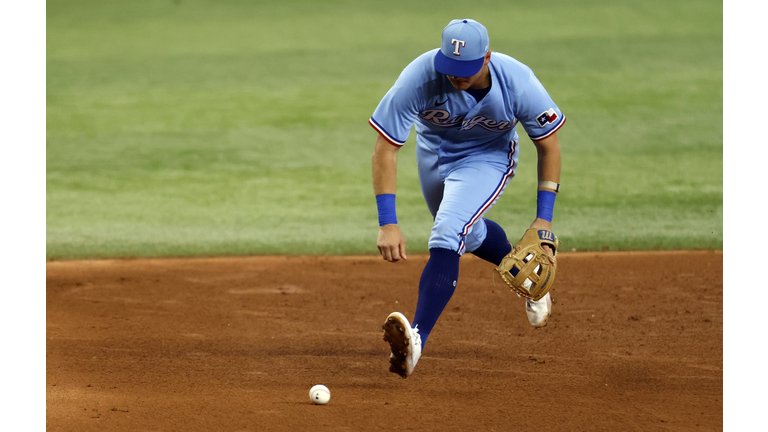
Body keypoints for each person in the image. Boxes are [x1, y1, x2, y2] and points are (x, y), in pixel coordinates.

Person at [370, 19, 565, 378]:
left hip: (487, 158)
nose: (456, 76)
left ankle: (417, 338)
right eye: (451, 68)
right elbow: (386, 148)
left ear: (487, 58)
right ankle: (526, 273)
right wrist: (388, 222)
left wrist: (544, 219)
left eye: (466, 69)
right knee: (467, 236)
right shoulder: (419, 77)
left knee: (446, 231)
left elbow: (548, 145)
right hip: (433, 153)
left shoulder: (518, 81)